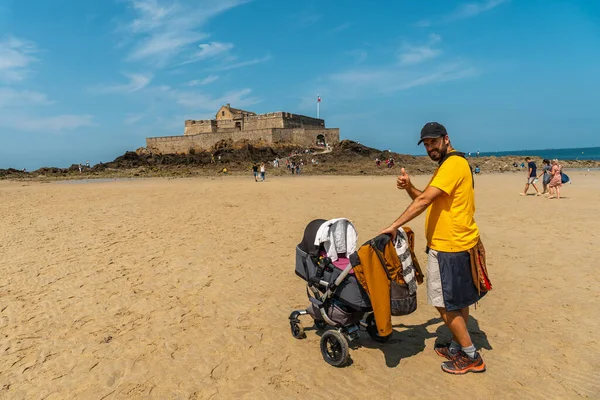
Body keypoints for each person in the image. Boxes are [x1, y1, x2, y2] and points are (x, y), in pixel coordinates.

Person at [380, 122, 487, 375]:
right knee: (458, 300)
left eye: (433, 142)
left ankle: (471, 355)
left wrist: (394, 225)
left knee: (443, 302)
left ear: (446, 139)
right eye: (426, 144)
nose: (430, 147)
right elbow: (427, 198)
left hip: (449, 246)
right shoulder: (451, 165)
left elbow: (426, 200)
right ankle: (457, 345)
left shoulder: (452, 165)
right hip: (461, 241)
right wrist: (409, 188)